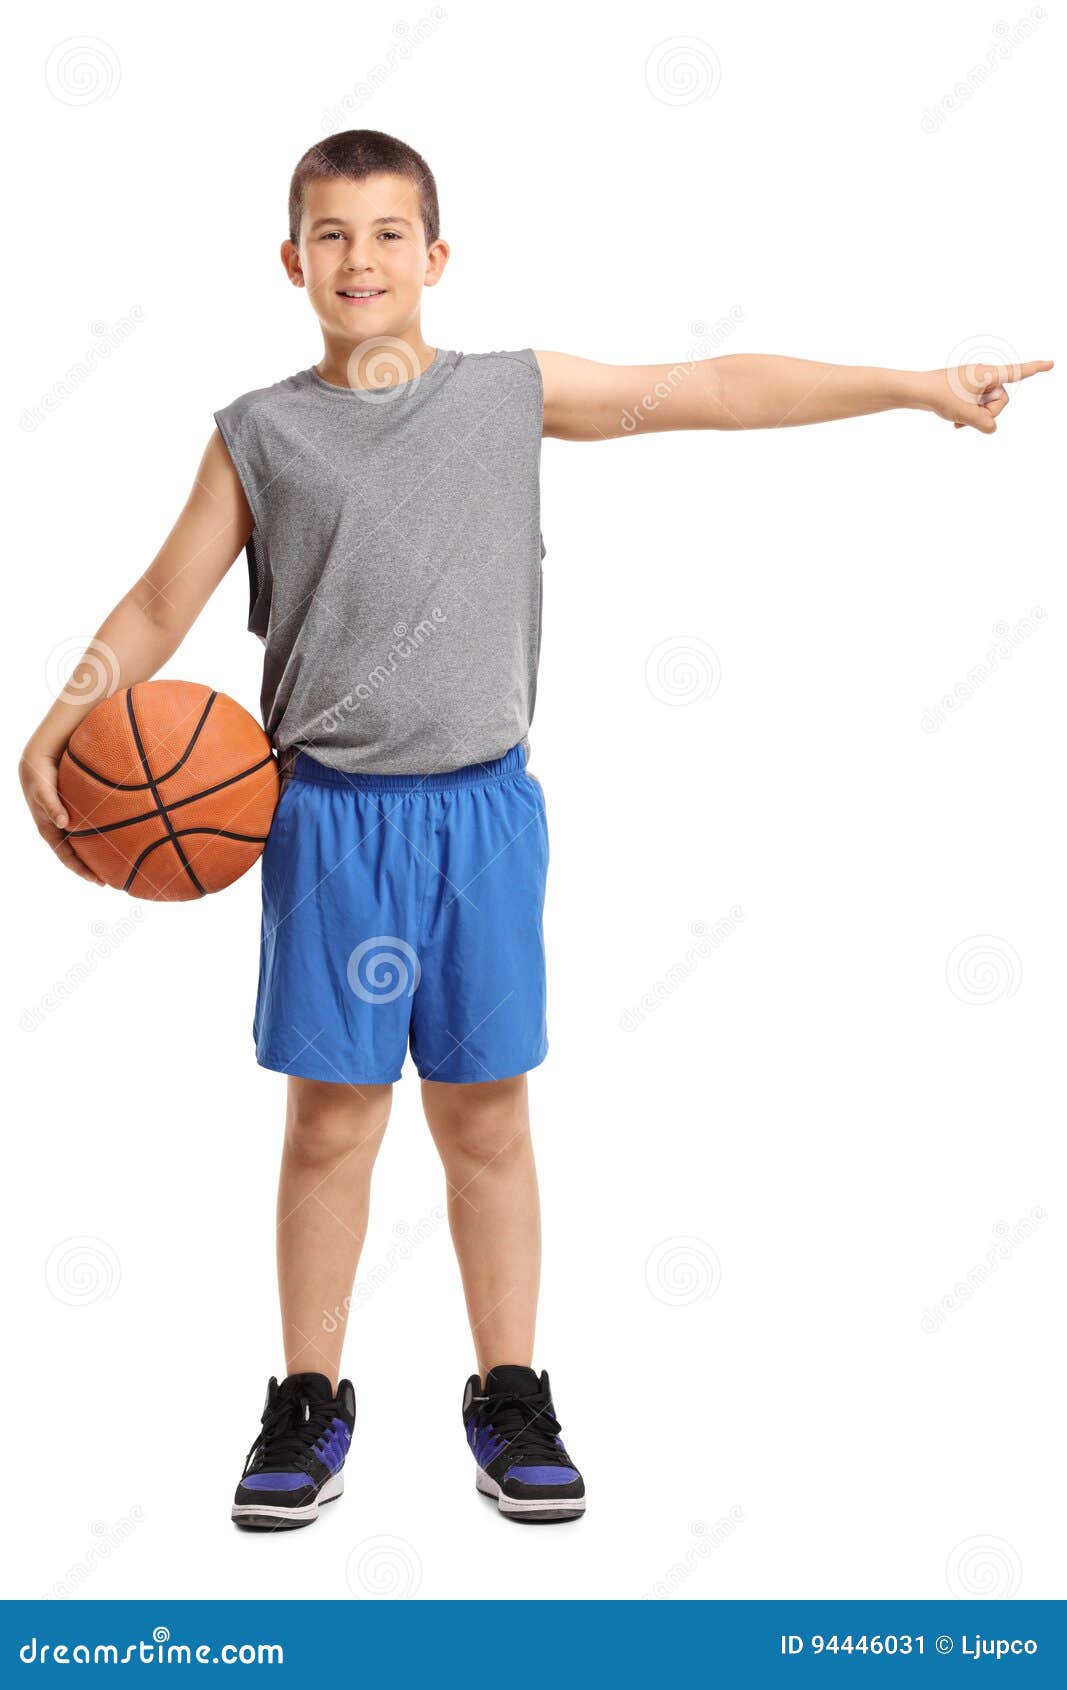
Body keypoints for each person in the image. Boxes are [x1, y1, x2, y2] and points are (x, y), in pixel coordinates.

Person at [18, 127, 1051, 1532]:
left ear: (436, 259)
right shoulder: (259, 434)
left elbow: (710, 390)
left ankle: (510, 1390)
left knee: (487, 1115)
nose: (361, 258)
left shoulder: (509, 393)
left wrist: (917, 386)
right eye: (332, 234)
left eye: (390, 233)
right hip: (325, 822)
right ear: (291, 261)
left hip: (483, 818)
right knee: (331, 1123)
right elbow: (154, 605)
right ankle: (307, 1399)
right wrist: (61, 722)